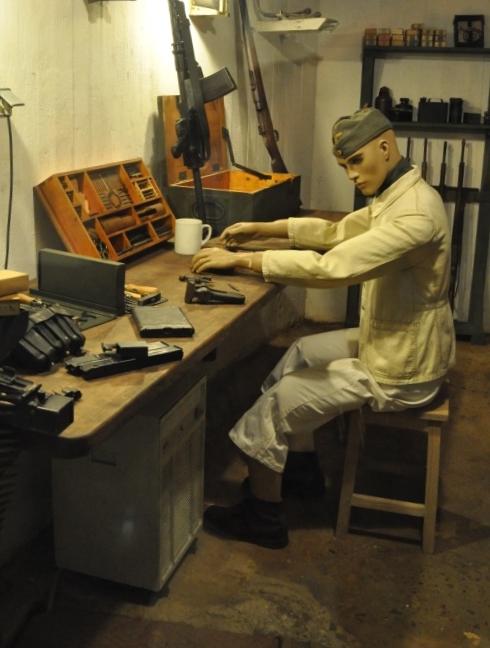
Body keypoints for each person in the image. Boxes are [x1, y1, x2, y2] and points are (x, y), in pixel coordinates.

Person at [190, 106, 456, 549]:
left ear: (385, 147)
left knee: (271, 407)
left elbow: (334, 265)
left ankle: (264, 518)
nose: (351, 174)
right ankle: (302, 470)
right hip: (393, 339)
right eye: (344, 165)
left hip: (403, 369)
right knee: (300, 354)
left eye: (355, 161)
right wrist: (262, 228)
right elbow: (336, 234)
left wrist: (243, 260)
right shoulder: (396, 195)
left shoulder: (415, 214)